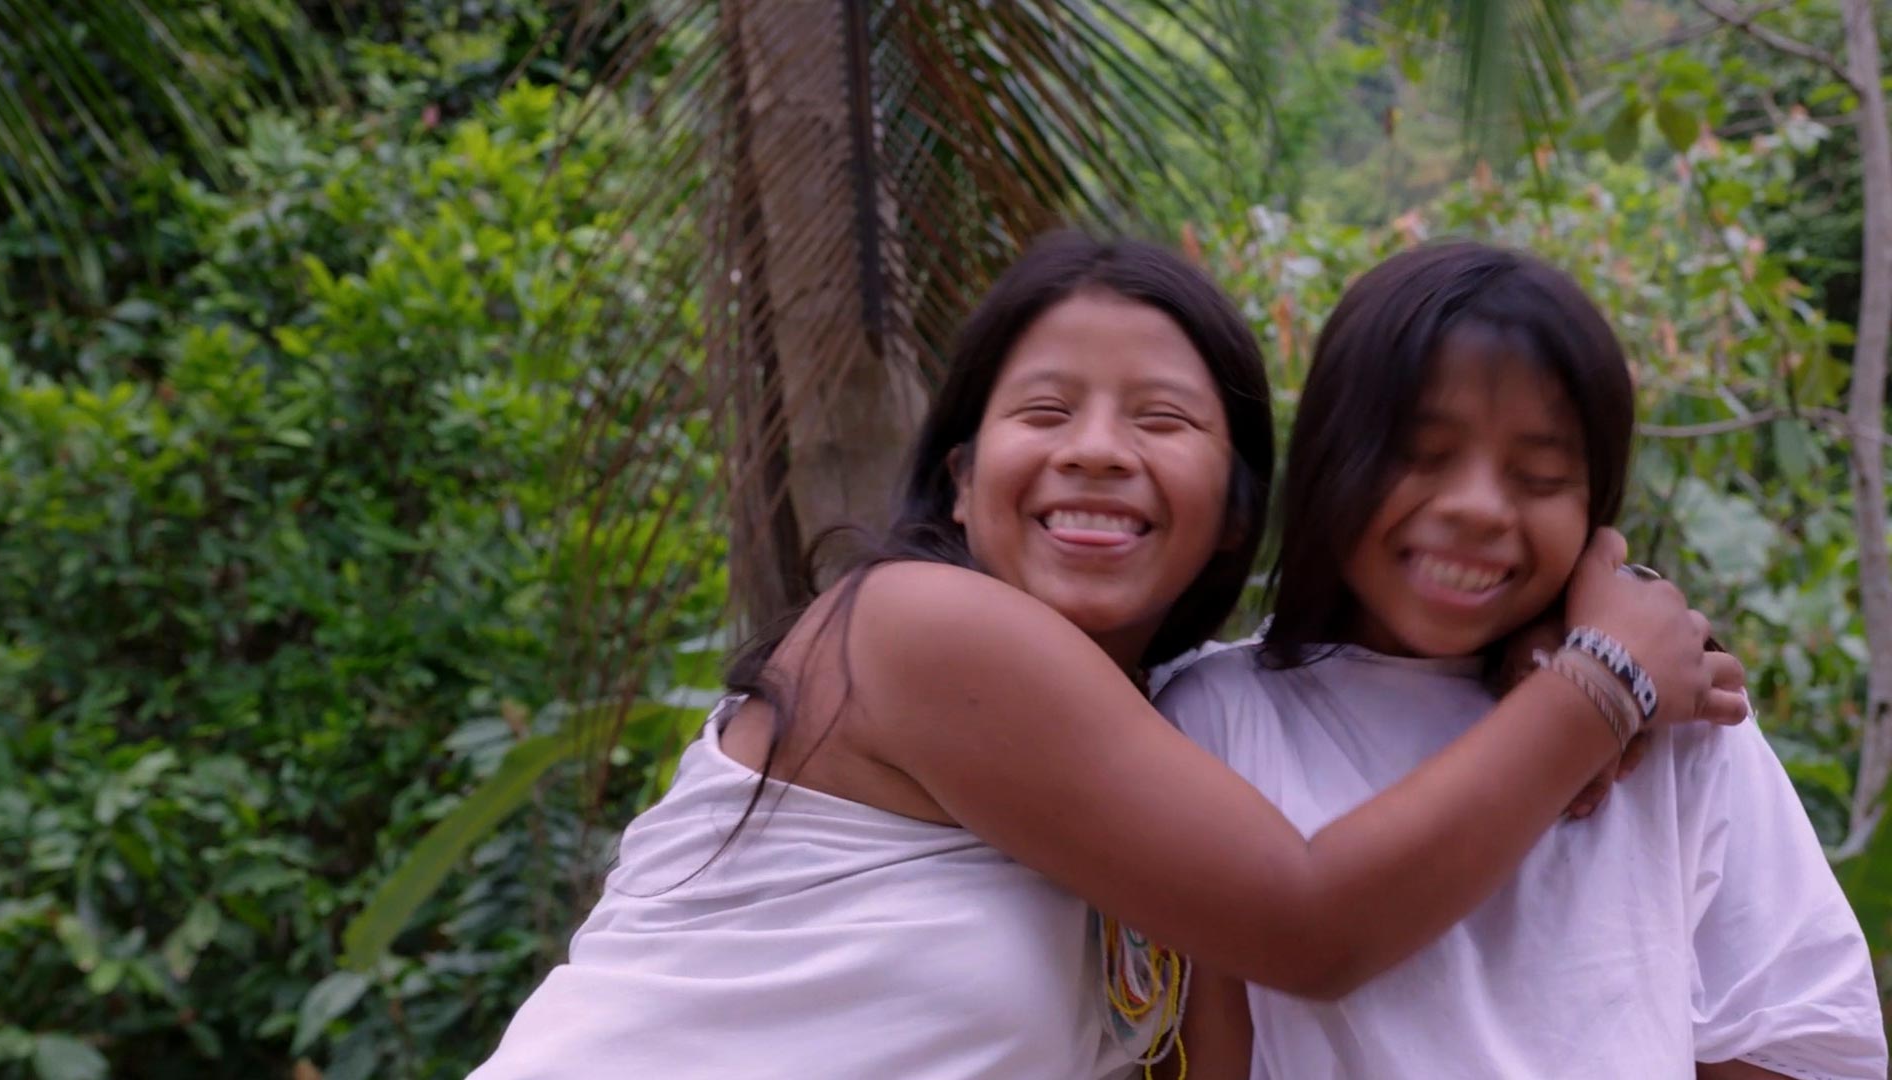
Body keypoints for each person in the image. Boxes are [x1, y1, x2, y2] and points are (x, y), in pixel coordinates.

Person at [469, 232, 1745, 1080]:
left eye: (1162, 419)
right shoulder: (919, 625)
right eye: (1044, 409)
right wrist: (1601, 676)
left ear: (1237, 511)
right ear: (960, 480)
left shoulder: (1176, 740)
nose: (1093, 448)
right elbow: (1309, 926)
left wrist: (1530, 641)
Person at [1166, 241, 1885, 1080]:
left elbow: (1804, 1039)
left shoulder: (1677, 723)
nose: (1478, 507)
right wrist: (1602, 680)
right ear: (1326, 460)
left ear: (1596, 504)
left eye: (1540, 475)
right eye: (1421, 455)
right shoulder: (1215, 719)